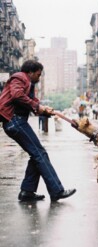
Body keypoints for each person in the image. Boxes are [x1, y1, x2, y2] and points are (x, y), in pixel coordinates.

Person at [0, 60, 76, 202]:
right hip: (14, 121)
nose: (39, 78)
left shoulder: (29, 84)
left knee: (36, 155)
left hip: (15, 122)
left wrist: (44, 110)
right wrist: (37, 106)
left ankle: (27, 192)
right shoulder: (20, 77)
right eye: (38, 74)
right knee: (40, 154)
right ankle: (57, 191)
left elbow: (32, 102)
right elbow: (17, 95)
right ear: (30, 72)